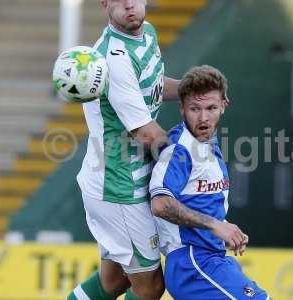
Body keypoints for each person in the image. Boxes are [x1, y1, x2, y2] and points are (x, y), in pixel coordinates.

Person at [68, 0, 180, 299]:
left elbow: (154, 86)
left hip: (127, 178)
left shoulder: (148, 34)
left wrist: (194, 90)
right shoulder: (112, 57)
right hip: (118, 186)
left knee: (113, 282)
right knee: (151, 287)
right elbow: (146, 133)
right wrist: (195, 161)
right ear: (104, 3)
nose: (129, 4)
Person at [149, 65, 270, 299]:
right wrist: (216, 226)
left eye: (211, 108)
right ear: (182, 108)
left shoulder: (207, 145)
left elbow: (199, 201)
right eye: (195, 108)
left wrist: (226, 229)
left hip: (211, 258)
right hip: (192, 263)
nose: (203, 118)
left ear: (224, 104)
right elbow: (160, 203)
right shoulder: (180, 151)